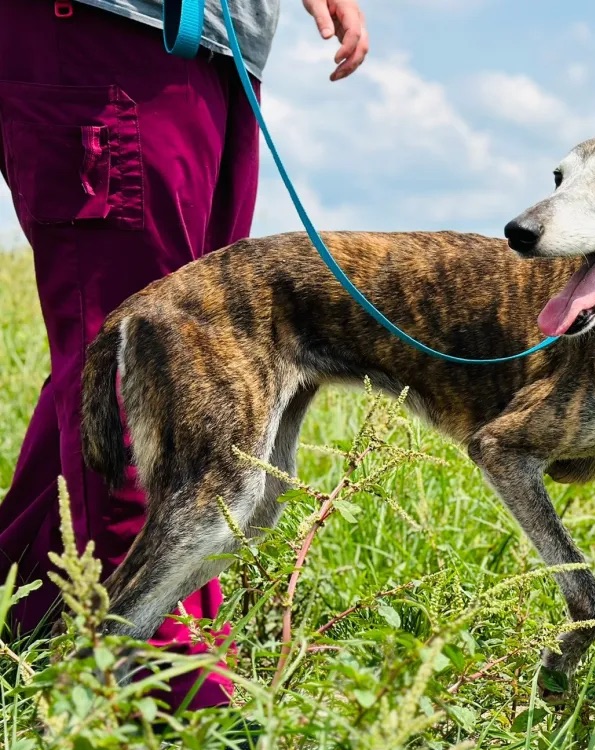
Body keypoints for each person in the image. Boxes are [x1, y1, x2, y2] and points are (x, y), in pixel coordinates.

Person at [0, 0, 368, 711]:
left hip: (218, 47)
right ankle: (155, 676)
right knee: (144, 365)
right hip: (106, 30)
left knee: (171, 353)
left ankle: (29, 615)